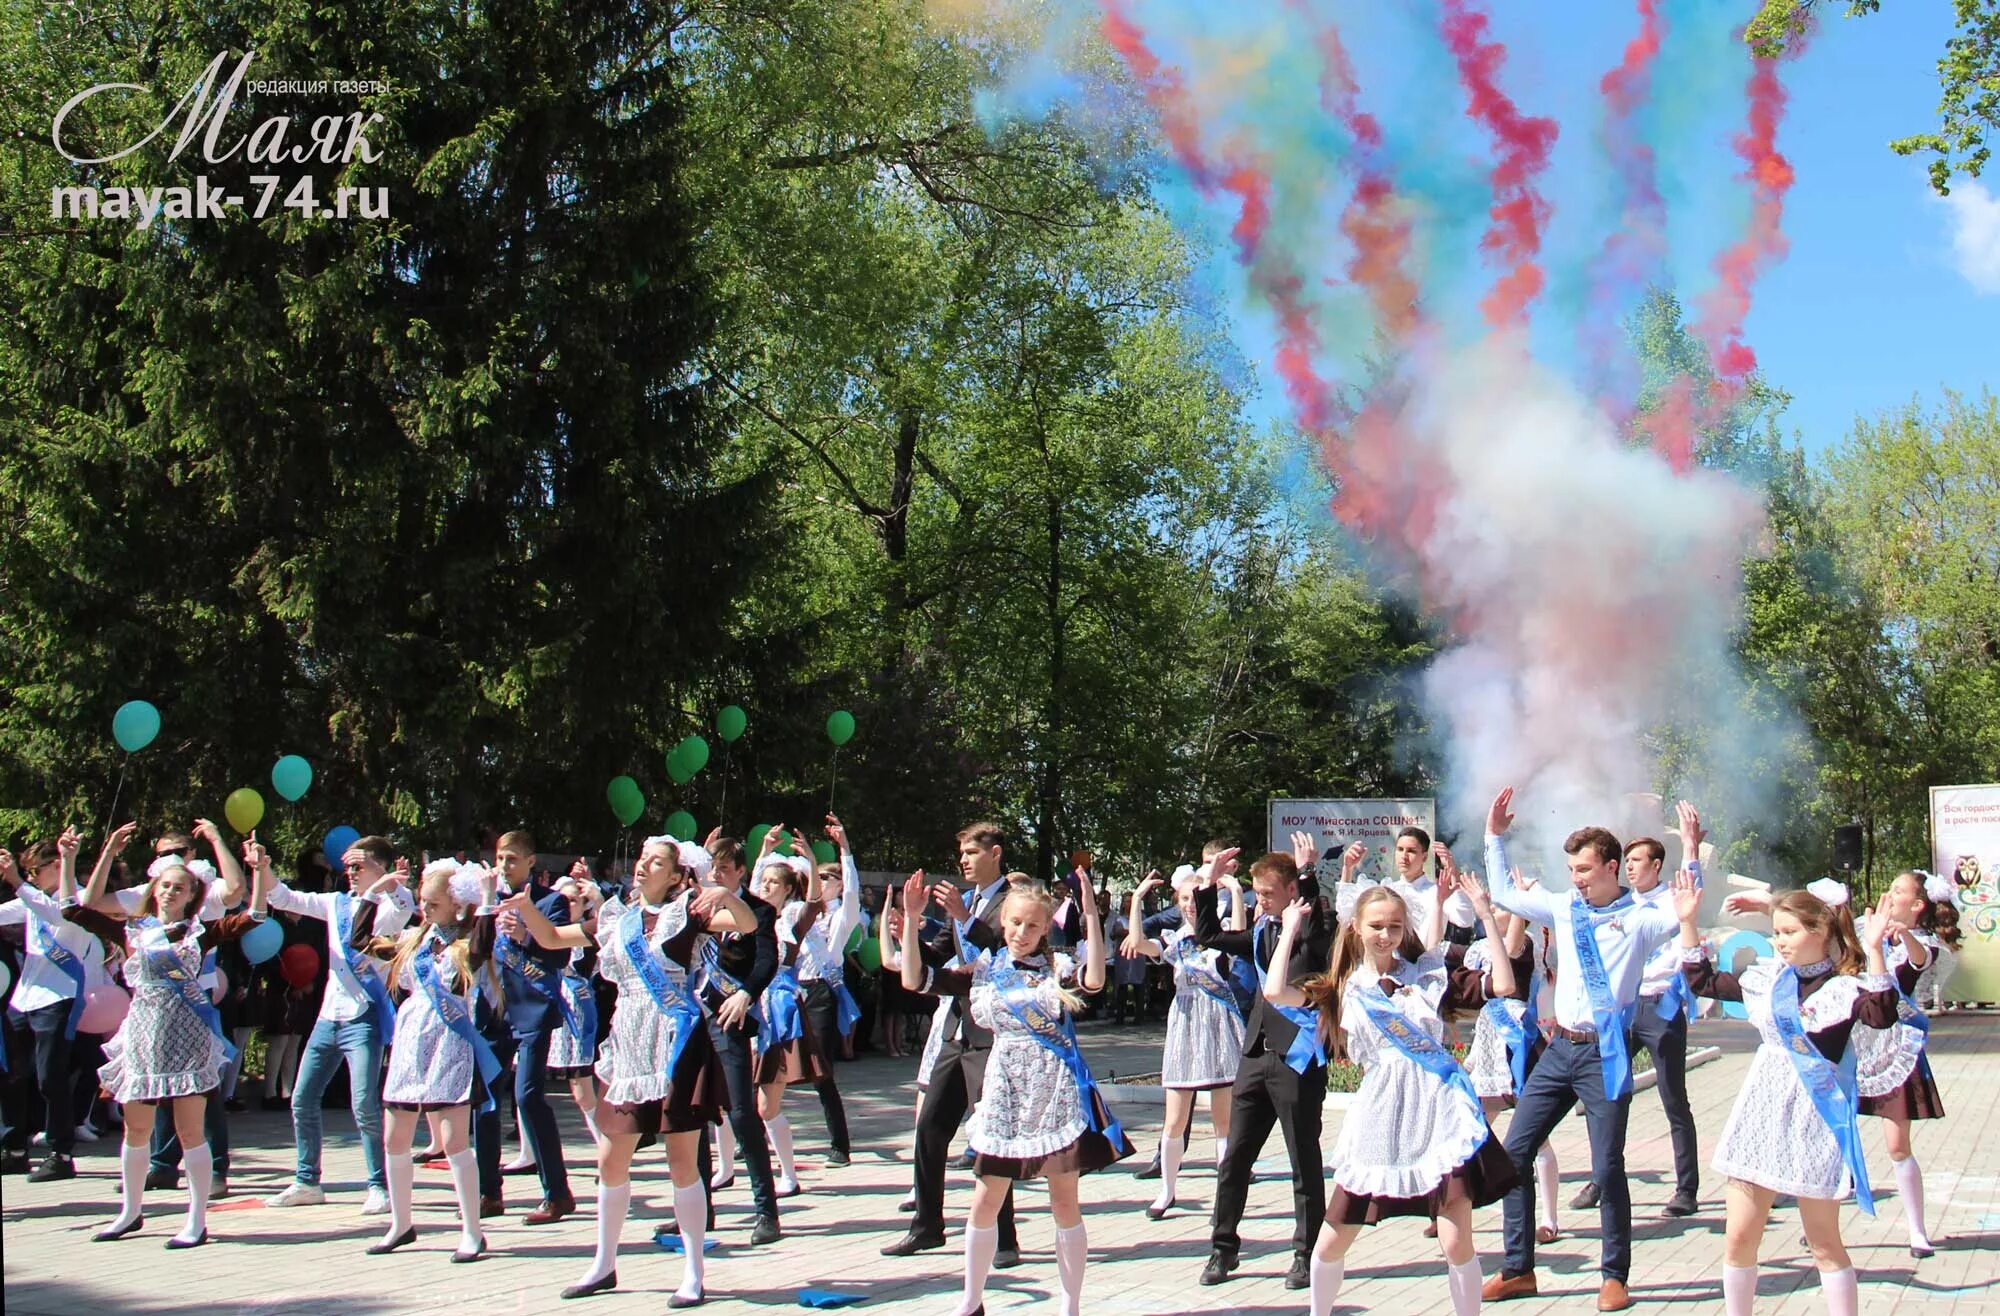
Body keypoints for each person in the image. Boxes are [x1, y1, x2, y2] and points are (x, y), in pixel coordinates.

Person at [503, 834, 755, 1308]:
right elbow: (554, 938)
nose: (643, 867)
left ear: (678, 876)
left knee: (681, 1162)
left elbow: (746, 924)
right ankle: (604, 1263)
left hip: (676, 1041)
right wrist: (525, 908)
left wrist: (725, 895)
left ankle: (694, 1271)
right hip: (630, 1043)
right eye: (642, 859)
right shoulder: (619, 917)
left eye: (656, 862)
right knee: (609, 1158)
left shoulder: (689, 913)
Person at [1479, 791, 1690, 1313]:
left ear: (1612, 867)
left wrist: (1692, 851)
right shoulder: (1562, 906)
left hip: (1605, 1054)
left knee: (1606, 1166)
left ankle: (1614, 1275)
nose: (1576, 878)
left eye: (1585, 869)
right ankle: (1517, 1269)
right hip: (1558, 1051)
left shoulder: (1640, 917)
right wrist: (1493, 837)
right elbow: (1504, 892)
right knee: (1513, 1154)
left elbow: (1683, 904)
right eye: (1571, 869)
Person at [1273, 874, 1522, 1316]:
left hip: (1438, 1113)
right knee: (1333, 1236)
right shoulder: (1344, 987)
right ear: (1356, 928)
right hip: (1381, 1118)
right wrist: (1290, 927)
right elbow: (1276, 992)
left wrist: (1486, 915)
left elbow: (1501, 986)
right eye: (1376, 926)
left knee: (1454, 1238)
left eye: (1393, 926)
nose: (1385, 935)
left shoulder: (1428, 976)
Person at [900, 865, 1131, 1316]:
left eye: (1032, 925)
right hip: (1004, 1089)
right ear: (1001, 923)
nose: (1021, 932)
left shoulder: (1056, 967)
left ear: (1046, 928)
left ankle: (1071, 1306)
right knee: (986, 1198)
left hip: (1053, 1090)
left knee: (1063, 1201)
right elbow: (916, 979)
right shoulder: (984, 970)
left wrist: (1091, 919)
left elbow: (1095, 981)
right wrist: (911, 921)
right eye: (1014, 923)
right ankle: (971, 1302)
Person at [1674, 875, 1909, 1316]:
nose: (1779, 942)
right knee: (1740, 1235)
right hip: (1761, 1111)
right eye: (1776, 932)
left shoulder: (1846, 989)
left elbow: (1881, 1015)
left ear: (1819, 932)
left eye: (1788, 933)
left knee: (1823, 1242)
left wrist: (1875, 950)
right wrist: (1687, 920)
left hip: (1814, 1119)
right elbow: (1703, 981)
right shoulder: (1769, 981)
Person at [1727, 867, 1955, 1259]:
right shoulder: (1864, 927)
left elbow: (1915, 965)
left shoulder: (1923, 943)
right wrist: (1769, 904)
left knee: (1897, 1145)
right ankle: (1816, 1204)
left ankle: (1916, 1231)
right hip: (1845, 1048)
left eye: (1899, 890)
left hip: (1889, 1050)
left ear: (1917, 905)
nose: (1890, 894)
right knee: (1824, 1125)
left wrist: (1888, 941)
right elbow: (1818, 917)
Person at [84, 833, 273, 1248]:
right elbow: (78, 906)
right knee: (136, 1129)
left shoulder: (199, 933)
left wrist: (258, 872)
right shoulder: (134, 930)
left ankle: (196, 1220)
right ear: (154, 890)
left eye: (180, 887)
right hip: (142, 1035)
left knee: (190, 1132)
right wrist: (106, 854)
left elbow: (255, 915)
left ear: (192, 897)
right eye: (165, 885)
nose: (170, 891)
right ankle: (131, 1213)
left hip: (186, 1037)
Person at [1192, 835, 1337, 1290]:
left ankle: (1305, 1252)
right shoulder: (1259, 930)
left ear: (1291, 891)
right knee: (1235, 1158)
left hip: (1297, 1056)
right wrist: (1209, 885)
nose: (1261, 901)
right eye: (1257, 893)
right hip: (1256, 1054)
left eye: (1270, 893)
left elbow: (1319, 937)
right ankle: (1223, 1249)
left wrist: (1308, 877)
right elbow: (1209, 935)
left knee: (1303, 1160)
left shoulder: (1314, 927)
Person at [880, 822, 1021, 1267]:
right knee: (931, 1128)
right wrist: (912, 926)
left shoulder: (1008, 901)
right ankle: (926, 1226)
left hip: (993, 1035)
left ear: (994, 853)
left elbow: (1009, 947)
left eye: (970, 852)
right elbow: (938, 953)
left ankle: (1005, 1239)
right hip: (957, 1030)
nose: (962, 860)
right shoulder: (965, 902)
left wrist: (964, 918)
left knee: (993, 1136)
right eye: (959, 852)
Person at [346, 858, 499, 1262]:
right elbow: (360, 942)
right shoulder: (417, 939)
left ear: (456, 904)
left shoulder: (467, 942)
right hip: (411, 1038)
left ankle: (472, 1231)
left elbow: (483, 947)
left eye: (432, 903)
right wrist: (370, 895)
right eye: (422, 903)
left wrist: (486, 900)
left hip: (450, 1040)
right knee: (394, 1137)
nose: (425, 910)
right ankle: (400, 1223)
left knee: (452, 1141)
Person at [258, 834, 414, 1213]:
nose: (349, 872)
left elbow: (399, 911)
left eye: (358, 865)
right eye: (347, 866)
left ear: (381, 866)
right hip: (330, 1016)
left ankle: (379, 1185)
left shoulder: (393, 903)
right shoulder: (335, 903)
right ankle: (307, 1180)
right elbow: (281, 898)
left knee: (363, 1103)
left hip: (363, 1016)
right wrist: (262, 868)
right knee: (302, 1098)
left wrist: (383, 884)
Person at [1566, 833, 1697, 1219]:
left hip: (1661, 1005)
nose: (1631, 867)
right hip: (1622, 1009)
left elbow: (1694, 894)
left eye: (1639, 860)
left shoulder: (1672, 899)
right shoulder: (1619, 902)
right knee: (1607, 1094)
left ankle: (1686, 1188)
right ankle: (1602, 1178)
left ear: (1656, 866)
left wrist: (1690, 847)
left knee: (1674, 1099)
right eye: (1628, 861)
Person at [1119, 862, 1245, 1219]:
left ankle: (1227, 1194)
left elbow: (1239, 932)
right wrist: (1137, 900)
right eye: (1185, 899)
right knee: (1174, 1119)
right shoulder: (1174, 940)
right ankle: (1167, 1190)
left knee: (1224, 1119)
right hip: (1186, 1023)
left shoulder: (1218, 936)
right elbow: (1139, 943)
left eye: (1196, 897)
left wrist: (1234, 890)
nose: (1191, 904)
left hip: (1219, 1022)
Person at [0, 831, 126, 1183]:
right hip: (24, 998)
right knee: (11, 1072)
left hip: (59, 997)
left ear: (55, 865)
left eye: (34, 871)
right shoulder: (31, 898)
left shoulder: (81, 899)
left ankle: (60, 1152)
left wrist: (16, 883)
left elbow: (58, 917)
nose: (30, 878)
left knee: (50, 1076)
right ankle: (14, 1147)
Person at [688, 831, 783, 1245]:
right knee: (690, 1113)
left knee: (742, 1114)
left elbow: (767, 960)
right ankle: (695, 1208)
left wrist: (747, 994)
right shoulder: (694, 907)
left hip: (729, 1016)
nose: (717, 874)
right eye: (713, 867)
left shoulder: (758, 910)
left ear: (741, 871)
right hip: (692, 1016)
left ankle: (767, 1212)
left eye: (725, 868)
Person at [487, 830, 578, 1226]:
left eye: (511, 859)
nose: (504, 866)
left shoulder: (550, 901)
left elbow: (559, 956)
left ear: (529, 862)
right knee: (486, 1098)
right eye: (500, 859)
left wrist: (524, 934)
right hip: (494, 1010)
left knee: (527, 1095)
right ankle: (488, 1191)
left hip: (534, 1009)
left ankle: (556, 1192)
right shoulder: (485, 902)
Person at [748, 843, 826, 1196]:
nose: (765, 888)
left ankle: (788, 1174)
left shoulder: (790, 920)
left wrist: (810, 858)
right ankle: (729, 1169)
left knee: (767, 1105)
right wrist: (763, 852)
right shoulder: (751, 918)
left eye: (772, 883)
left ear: (787, 889)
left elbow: (812, 904)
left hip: (777, 1014)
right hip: (748, 1010)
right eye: (762, 882)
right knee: (734, 1099)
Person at [795, 814, 862, 1165]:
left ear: (836, 884)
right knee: (770, 1068)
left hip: (820, 993)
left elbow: (853, 892)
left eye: (825, 877)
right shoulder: (800, 912)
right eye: (814, 877)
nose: (818, 882)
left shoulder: (841, 916)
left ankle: (840, 1144)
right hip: (790, 991)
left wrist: (845, 850)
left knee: (822, 1072)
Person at [545, 873, 606, 1145]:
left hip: (575, 1013)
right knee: (527, 1085)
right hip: (544, 1008)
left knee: (581, 1089)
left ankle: (605, 1143)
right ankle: (529, 1152)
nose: (567, 905)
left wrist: (598, 897)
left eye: (573, 901)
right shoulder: (543, 930)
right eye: (562, 900)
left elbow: (610, 924)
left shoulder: (589, 933)